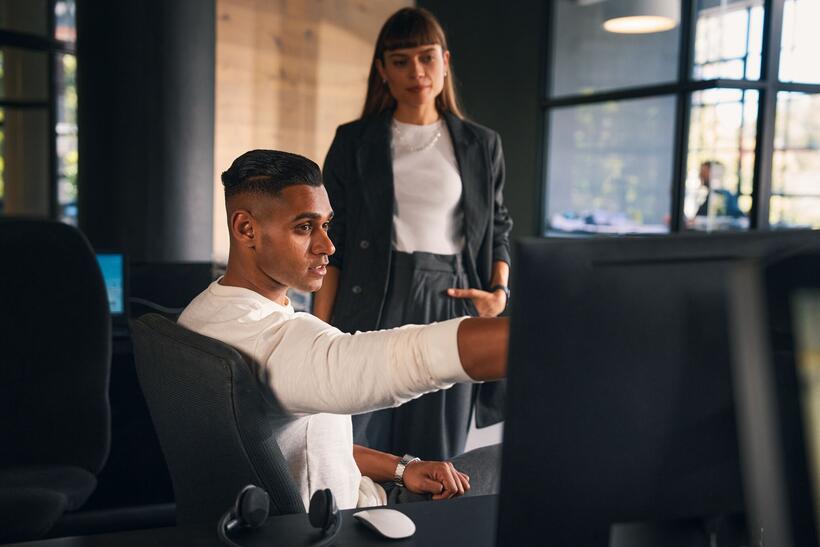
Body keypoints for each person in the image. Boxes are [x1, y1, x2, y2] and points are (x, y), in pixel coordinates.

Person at [178, 149, 509, 511]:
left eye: (326, 225)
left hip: (362, 493)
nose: (328, 246)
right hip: (351, 522)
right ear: (246, 229)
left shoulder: (202, 312)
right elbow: (414, 356)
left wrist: (403, 468)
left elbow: (302, 443)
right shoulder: (274, 343)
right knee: (528, 459)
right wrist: (550, 337)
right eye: (305, 227)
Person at [313, 7, 513, 462]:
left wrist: (498, 293)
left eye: (426, 57)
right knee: (355, 445)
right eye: (400, 61)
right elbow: (332, 240)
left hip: (452, 299)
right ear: (382, 70)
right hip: (372, 297)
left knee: (435, 453)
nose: (416, 72)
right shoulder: (353, 141)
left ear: (445, 60)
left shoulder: (482, 144)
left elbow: (498, 224)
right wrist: (320, 330)